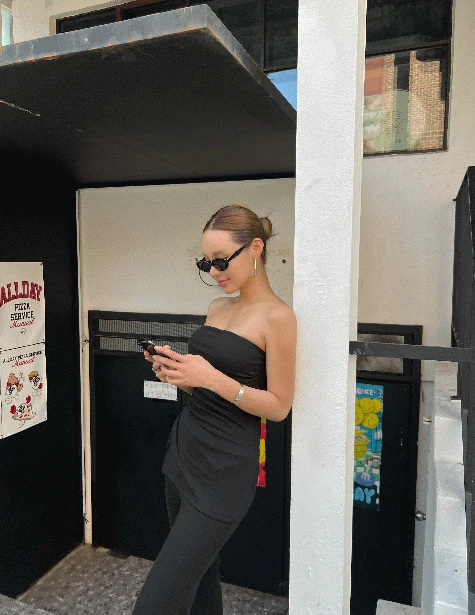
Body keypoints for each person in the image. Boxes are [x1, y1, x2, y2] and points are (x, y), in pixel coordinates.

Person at [132, 204, 297, 615]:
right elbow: (205, 387)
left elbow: (279, 406)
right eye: (206, 263)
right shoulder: (217, 308)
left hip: (224, 473)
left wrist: (211, 377)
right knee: (200, 585)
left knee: (156, 603)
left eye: (222, 260)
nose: (214, 272)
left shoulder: (278, 318)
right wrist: (178, 374)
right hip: (183, 454)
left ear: (255, 248)